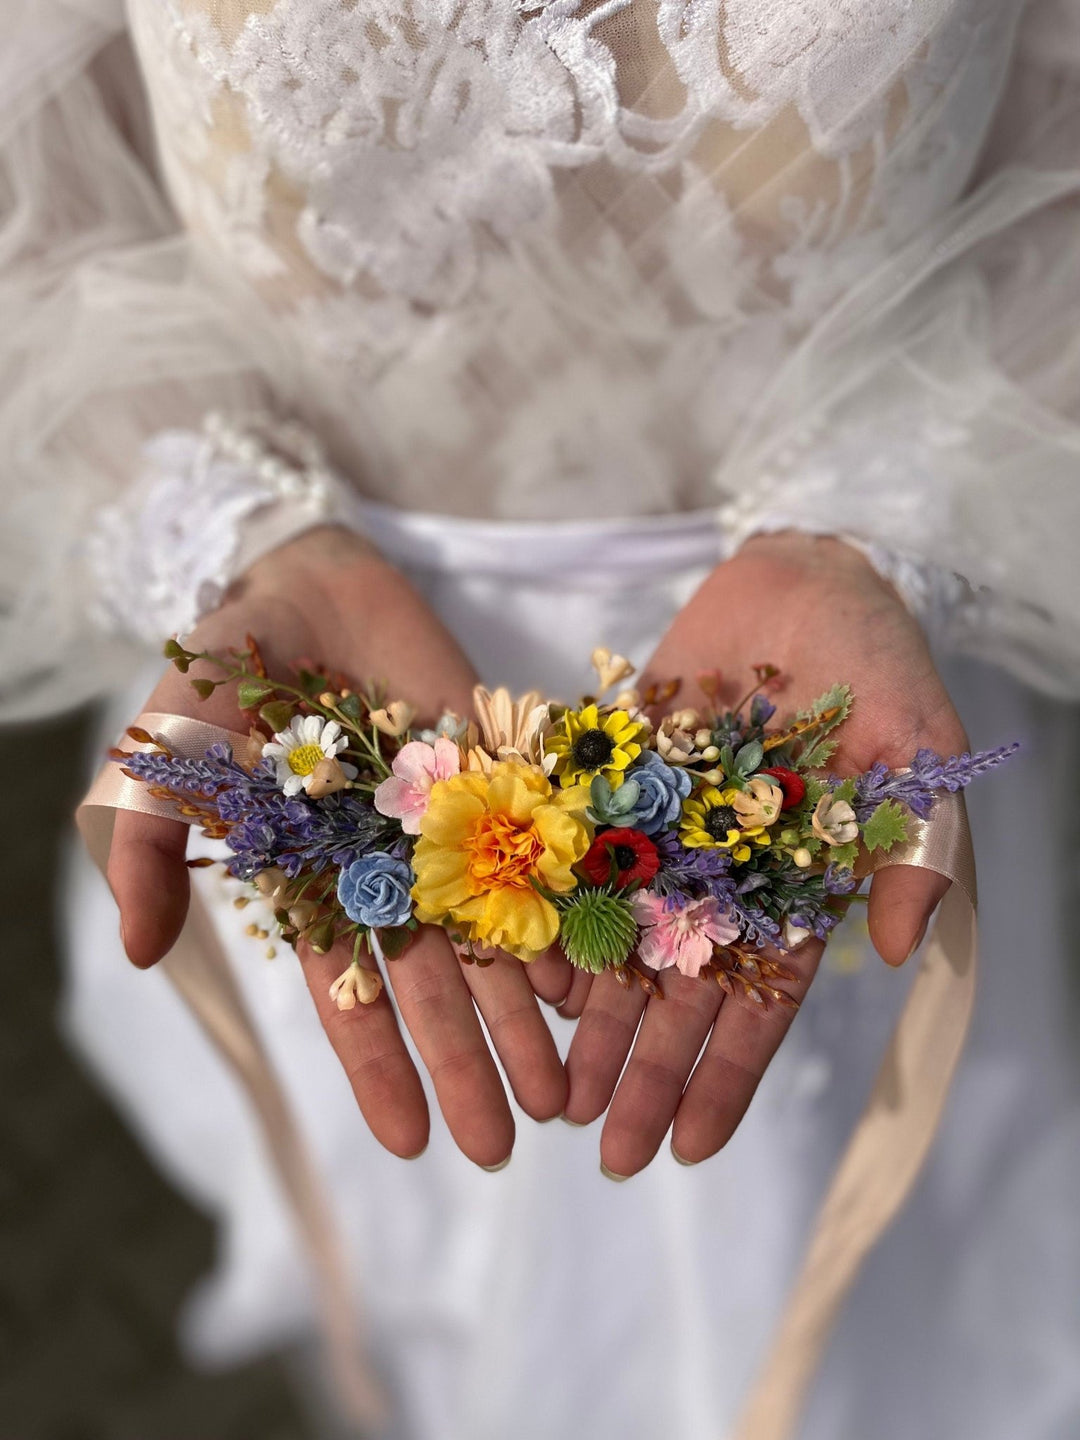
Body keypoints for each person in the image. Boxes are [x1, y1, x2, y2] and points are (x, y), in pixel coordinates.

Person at [3, 1, 1079, 1435]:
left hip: (813, 730)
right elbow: (41, 191)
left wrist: (880, 526)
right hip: (339, 737)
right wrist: (236, 538)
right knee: (421, 1216)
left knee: (859, 1260)